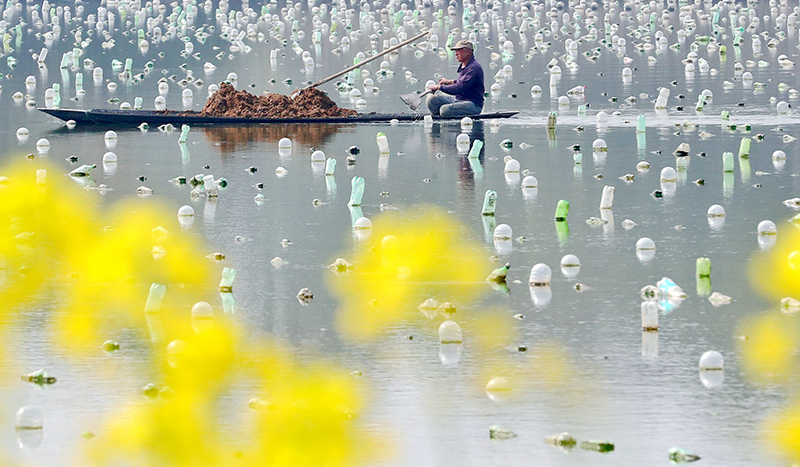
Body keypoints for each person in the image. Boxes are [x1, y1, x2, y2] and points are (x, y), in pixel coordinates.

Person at [426, 40, 485, 117]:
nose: (456, 53)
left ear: (468, 52)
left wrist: (439, 87)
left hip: (473, 104)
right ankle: (439, 118)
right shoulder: (465, 65)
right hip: (459, 100)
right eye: (455, 51)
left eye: (458, 50)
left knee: (445, 110)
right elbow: (463, 82)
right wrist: (449, 82)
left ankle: (445, 117)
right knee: (431, 100)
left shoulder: (473, 68)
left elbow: (459, 88)